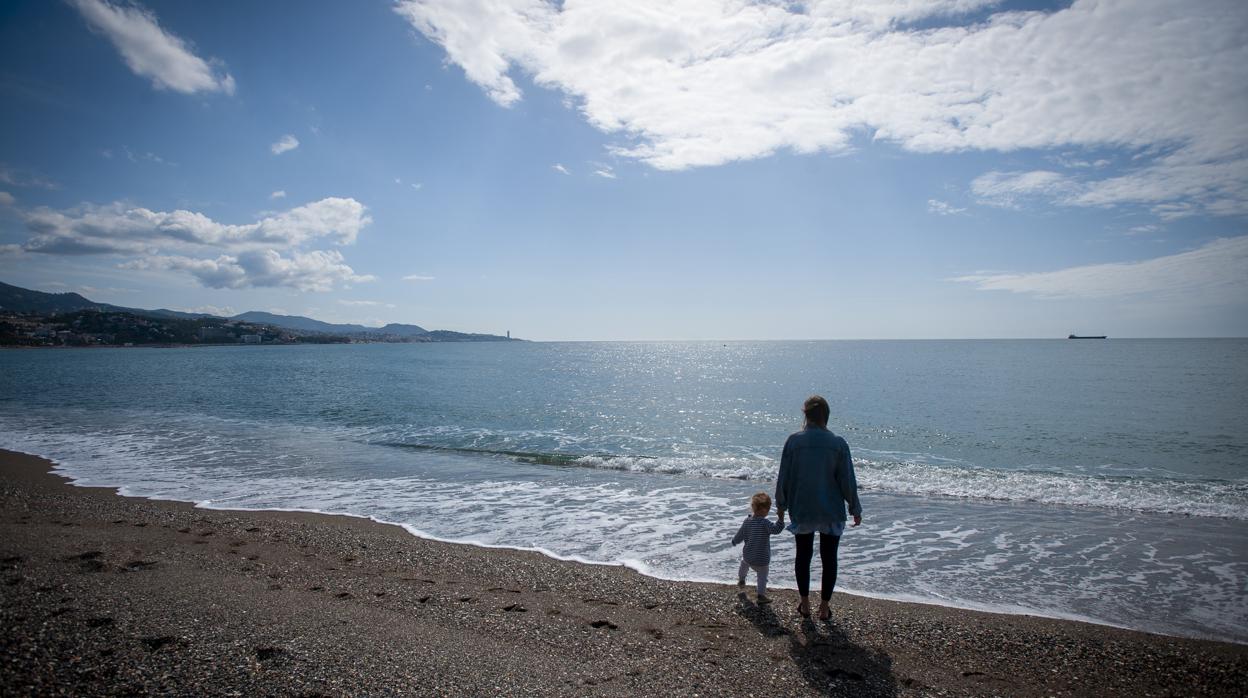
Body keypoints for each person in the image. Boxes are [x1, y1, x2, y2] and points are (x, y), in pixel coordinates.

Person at [775, 395, 862, 621]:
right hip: (830, 509)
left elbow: (784, 477)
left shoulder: (794, 442)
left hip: (802, 507)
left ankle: (804, 604)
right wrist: (855, 507)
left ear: (806, 415)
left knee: (803, 555)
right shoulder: (838, 444)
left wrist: (781, 505)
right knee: (829, 557)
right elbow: (847, 480)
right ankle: (824, 607)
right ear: (826, 416)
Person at [731, 491, 786, 603]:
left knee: (744, 563)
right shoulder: (765, 523)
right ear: (764, 510)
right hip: (762, 559)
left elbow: (740, 534)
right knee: (762, 576)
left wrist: (734, 541)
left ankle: (741, 580)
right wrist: (781, 519)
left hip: (748, 556)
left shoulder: (747, 521)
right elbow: (776, 530)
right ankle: (761, 596)